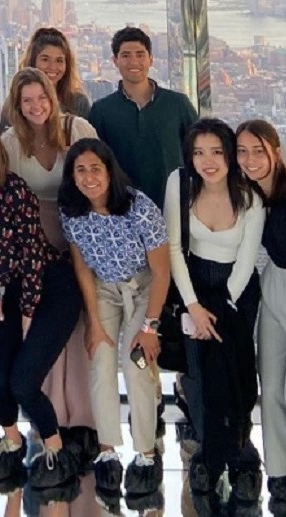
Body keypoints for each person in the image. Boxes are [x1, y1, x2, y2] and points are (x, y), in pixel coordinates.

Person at [0, 112, 81, 492]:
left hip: (51, 290)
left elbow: (31, 257)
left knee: (25, 383)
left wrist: (26, 313)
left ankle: (56, 450)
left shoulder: (14, 190)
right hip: (10, 295)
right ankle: (13, 440)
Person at [58, 138, 170, 500]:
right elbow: (81, 266)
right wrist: (93, 320)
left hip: (142, 288)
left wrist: (150, 326)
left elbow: (161, 271)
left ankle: (145, 453)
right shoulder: (72, 211)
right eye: (80, 170)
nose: (89, 177)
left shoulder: (139, 207)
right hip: (104, 289)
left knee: (135, 363)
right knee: (101, 361)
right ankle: (107, 450)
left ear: (110, 170)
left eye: (96, 168)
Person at [0, 67, 98, 456]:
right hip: (31, 260)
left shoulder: (79, 132)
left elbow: (99, 183)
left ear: (53, 98)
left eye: (42, 98)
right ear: (16, 106)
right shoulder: (8, 143)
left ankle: (85, 424)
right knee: (41, 345)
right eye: (27, 101)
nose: (36, 106)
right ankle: (50, 421)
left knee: (81, 339)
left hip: (78, 252)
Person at [165, 118, 264, 502]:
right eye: (199, 152)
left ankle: (243, 458)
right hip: (192, 283)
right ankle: (208, 456)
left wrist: (219, 310)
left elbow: (246, 259)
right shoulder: (180, 183)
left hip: (235, 292)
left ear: (229, 154)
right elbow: (174, 247)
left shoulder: (248, 194)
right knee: (198, 376)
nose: (208, 161)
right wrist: (193, 306)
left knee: (237, 375)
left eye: (217, 152)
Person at [89, 27, 197, 210]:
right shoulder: (102, 111)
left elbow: (199, 149)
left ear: (151, 59)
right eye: (126, 55)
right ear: (115, 61)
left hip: (175, 206)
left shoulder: (178, 104)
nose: (134, 61)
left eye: (140, 54)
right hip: (123, 210)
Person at [236, 119, 286, 511]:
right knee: (269, 386)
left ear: (276, 151)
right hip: (274, 285)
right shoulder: (248, 195)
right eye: (243, 151)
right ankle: (280, 473)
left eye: (258, 150)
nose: (251, 160)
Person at [1, 27, 90, 129]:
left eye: (59, 60)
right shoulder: (12, 104)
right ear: (33, 61)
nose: (52, 67)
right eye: (45, 59)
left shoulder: (79, 103)